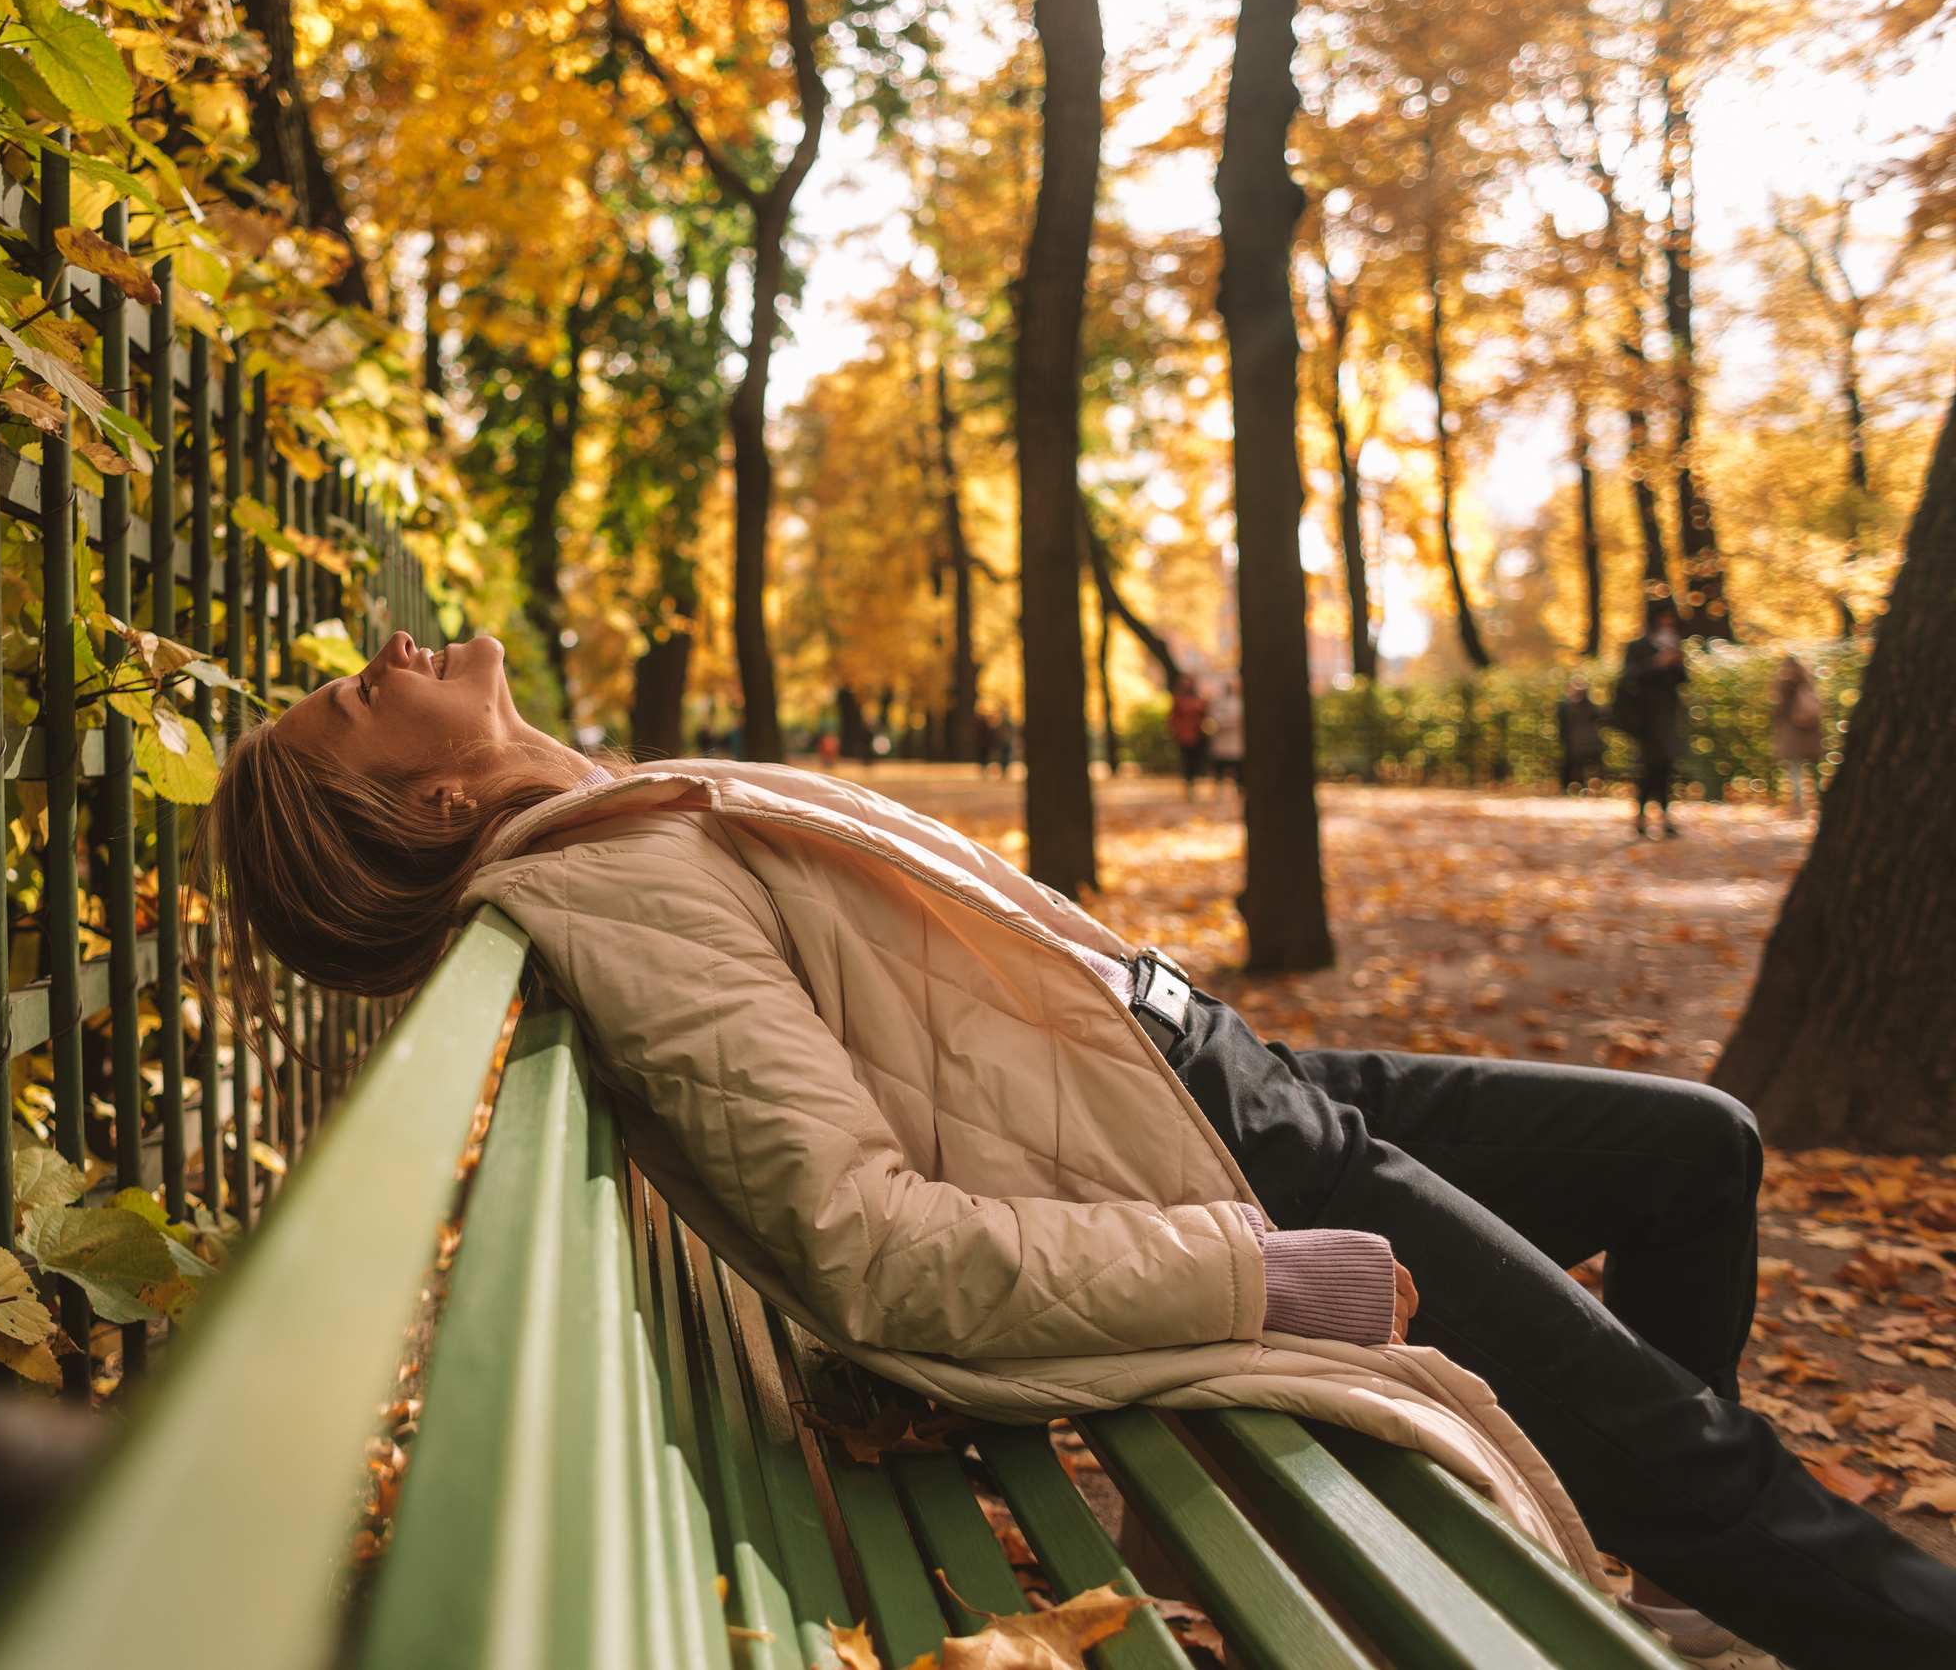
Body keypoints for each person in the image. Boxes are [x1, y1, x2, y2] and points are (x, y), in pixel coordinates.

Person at [207, 629, 1956, 1670]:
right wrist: (1254, 1269)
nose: (368, 666)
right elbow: (868, 1246)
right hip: (1226, 1170)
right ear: (427, 808)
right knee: (1716, 1465)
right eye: (348, 712)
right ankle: (1723, 1526)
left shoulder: (621, 820)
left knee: (1696, 1148)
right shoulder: (604, 885)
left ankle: (1671, 1514)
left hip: (1227, 1077)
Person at [1614, 600, 1689, 839]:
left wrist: (1677, 663)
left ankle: (1663, 818)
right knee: (1648, 768)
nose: (1667, 623)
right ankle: (1641, 818)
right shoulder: (1639, 646)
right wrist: (1656, 664)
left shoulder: (1675, 644)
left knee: (1665, 767)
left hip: (1668, 716)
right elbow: (1628, 677)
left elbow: (1683, 680)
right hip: (1644, 718)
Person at [1770, 657, 1824, 818]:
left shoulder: (1785, 685)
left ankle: (1799, 806)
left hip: (1792, 734)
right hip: (1810, 733)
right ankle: (1818, 800)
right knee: (1813, 769)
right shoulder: (1807, 682)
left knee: (1795, 770)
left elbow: (1780, 709)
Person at [1556, 677, 1606, 794]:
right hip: (1576, 742)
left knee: (1591, 765)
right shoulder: (1567, 707)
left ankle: (1591, 786)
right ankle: (1578, 786)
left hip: (1589, 741)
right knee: (1577, 766)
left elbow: (1600, 718)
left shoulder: (1590, 706)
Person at [1168, 673, 1210, 801]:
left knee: (1196, 762)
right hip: (1184, 736)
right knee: (1187, 762)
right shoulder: (1179, 697)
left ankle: (1194, 786)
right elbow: (1173, 717)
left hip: (1197, 735)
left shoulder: (1198, 698)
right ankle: (1189, 787)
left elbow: (1203, 712)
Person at [1207, 674, 1244, 794]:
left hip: (1236, 742)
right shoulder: (1218, 702)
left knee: (1237, 768)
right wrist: (1230, 721)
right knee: (1220, 767)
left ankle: (1237, 790)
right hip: (1222, 741)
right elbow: (1213, 719)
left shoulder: (1241, 701)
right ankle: (1219, 791)